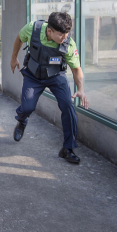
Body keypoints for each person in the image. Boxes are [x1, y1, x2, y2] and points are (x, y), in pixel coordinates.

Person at [10, 12, 89, 164]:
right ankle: (22, 121)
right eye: (61, 35)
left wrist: (81, 89)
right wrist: (13, 58)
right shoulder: (32, 29)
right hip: (33, 75)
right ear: (49, 31)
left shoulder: (69, 44)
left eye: (66, 34)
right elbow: (19, 38)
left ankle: (67, 149)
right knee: (27, 107)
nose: (64, 38)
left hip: (56, 77)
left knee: (68, 107)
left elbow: (76, 69)